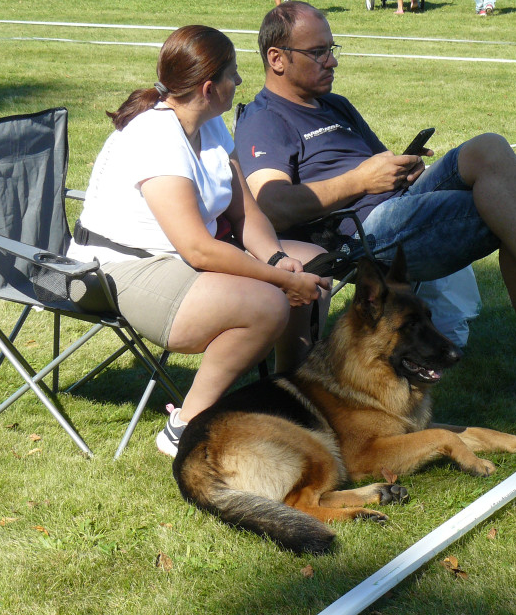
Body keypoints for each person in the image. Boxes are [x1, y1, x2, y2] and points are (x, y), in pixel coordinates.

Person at [234, 2, 516, 406]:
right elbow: (272, 204)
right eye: (318, 52)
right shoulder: (264, 120)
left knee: (489, 151)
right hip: (362, 235)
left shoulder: (335, 105)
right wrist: (361, 179)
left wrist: (400, 170)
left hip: (397, 205)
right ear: (277, 59)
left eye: (332, 48)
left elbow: (377, 165)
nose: (332, 61)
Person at [66, 24, 329, 457]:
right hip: (116, 271)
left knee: (311, 263)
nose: (240, 82)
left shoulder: (210, 125)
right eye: (234, 74)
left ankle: (287, 400)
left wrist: (279, 257)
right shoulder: (156, 137)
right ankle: (184, 426)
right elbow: (197, 249)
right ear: (209, 87)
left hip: (178, 260)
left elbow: (244, 211)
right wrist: (277, 280)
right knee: (268, 303)